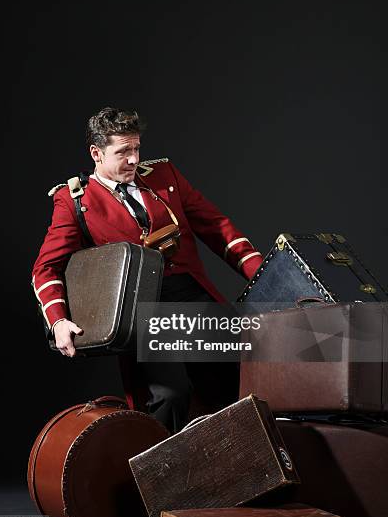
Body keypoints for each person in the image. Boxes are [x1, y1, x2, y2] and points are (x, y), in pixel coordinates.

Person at [32, 107, 263, 432]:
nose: (133, 159)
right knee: (170, 396)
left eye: (137, 148)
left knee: (241, 379)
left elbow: (218, 228)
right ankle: (157, 478)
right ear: (96, 153)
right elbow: (46, 268)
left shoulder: (164, 176)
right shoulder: (74, 200)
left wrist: (266, 276)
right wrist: (57, 321)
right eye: (123, 151)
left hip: (190, 295)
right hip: (143, 309)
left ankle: (236, 470)